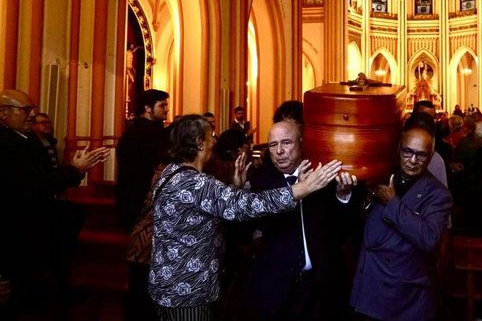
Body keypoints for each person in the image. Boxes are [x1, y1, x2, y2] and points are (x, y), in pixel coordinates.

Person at [148, 114, 343, 320]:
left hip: (168, 284)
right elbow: (245, 206)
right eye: (211, 136)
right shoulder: (196, 183)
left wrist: (236, 188)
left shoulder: (170, 173)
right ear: (200, 144)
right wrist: (304, 187)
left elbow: (215, 209)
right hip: (188, 290)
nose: (215, 141)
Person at [0, 89, 108, 317]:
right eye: (26, 110)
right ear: (3, 114)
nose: (31, 114)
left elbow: (43, 179)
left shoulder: (24, 140)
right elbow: (33, 185)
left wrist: (72, 171)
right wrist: (75, 170)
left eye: (33, 109)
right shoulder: (6, 144)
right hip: (13, 226)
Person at [246, 119, 357, 321]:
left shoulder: (323, 177)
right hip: (275, 291)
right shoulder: (259, 183)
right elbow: (248, 231)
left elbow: (342, 231)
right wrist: (297, 190)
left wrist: (343, 195)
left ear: (301, 143)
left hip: (320, 287)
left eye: (286, 143)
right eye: (273, 145)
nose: (279, 151)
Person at [350, 124, 453, 321]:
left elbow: (428, 238)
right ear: (399, 149)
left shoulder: (438, 194)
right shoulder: (381, 176)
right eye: (407, 152)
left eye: (421, 155)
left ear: (430, 157)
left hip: (403, 295)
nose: (413, 160)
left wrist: (393, 202)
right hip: (368, 284)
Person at [115, 88, 170, 320]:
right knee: (144, 268)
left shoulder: (147, 131)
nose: (166, 110)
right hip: (143, 206)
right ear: (147, 108)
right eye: (162, 106)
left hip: (141, 204)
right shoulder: (144, 134)